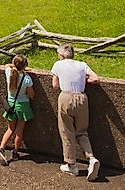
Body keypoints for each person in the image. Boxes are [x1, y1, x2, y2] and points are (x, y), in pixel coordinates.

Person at [50, 43, 100, 181]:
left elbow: (55, 85)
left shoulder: (58, 65)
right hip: (82, 98)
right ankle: (91, 158)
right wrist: (85, 80)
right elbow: (95, 78)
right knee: (82, 132)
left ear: (61, 55)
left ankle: (71, 165)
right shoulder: (82, 65)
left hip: (66, 97)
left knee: (67, 132)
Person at [0, 54, 35, 166]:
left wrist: (17, 66)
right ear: (25, 65)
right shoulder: (27, 79)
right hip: (22, 106)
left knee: (10, 128)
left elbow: (6, 65)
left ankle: (2, 148)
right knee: (19, 131)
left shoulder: (9, 73)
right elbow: (31, 95)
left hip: (11, 104)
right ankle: (15, 152)